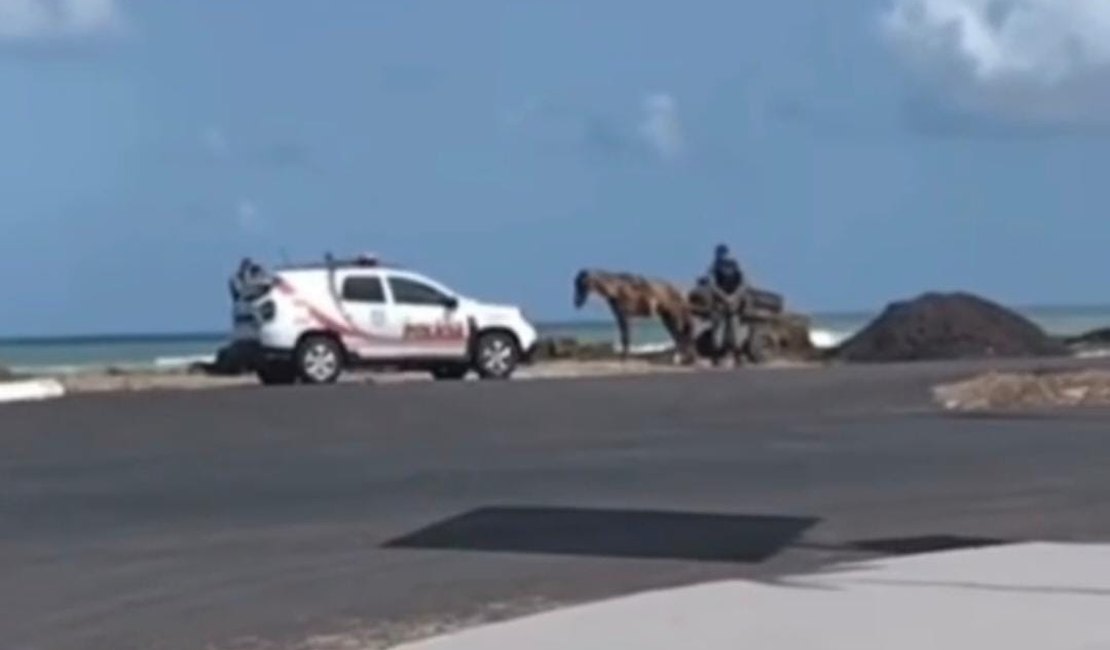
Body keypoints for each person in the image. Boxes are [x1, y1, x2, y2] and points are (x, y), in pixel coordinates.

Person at [705, 244, 747, 366]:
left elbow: (712, 285)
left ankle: (725, 357)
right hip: (730, 302)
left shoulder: (717, 266)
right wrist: (732, 297)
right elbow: (743, 285)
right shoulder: (734, 266)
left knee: (723, 331)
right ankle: (731, 357)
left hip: (723, 303)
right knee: (728, 330)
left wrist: (727, 297)